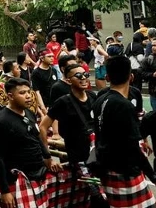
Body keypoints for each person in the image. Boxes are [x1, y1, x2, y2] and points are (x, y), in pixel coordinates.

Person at [93, 56, 156, 208]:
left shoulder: (100, 100)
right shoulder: (124, 106)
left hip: (108, 168)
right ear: (131, 76)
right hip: (125, 171)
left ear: (107, 77)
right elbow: (133, 148)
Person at [0, 78, 62, 208]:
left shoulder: (29, 113)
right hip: (18, 181)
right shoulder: (0, 122)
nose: (28, 96)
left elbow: (37, 137)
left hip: (38, 175)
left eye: (29, 92)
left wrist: (48, 159)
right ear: (10, 96)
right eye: (22, 93)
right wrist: (5, 191)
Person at [39, 63, 97, 207]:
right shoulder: (63, 102)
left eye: (86, 75)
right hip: (79, 160)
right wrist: (47, 157)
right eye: (78, 76)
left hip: (98, 157)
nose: (84, 78)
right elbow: (42, 127)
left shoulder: (92, 96)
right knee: (98, 195)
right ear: (68, 80)